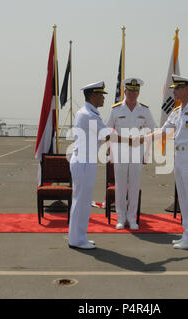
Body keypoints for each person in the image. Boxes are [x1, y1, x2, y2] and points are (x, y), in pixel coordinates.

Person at [139, 74, 188, 249]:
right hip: (178, 156)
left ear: (186, 89)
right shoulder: (177, 111)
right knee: (183, 198)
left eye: (177, 88)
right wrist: (143, 138)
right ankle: (187, 234)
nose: (174, 92)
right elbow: (163, 131)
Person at [68, 81, 133, 249]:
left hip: (85, 161)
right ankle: (77, 239)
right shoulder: (88, 115)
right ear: (93, 96)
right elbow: (108, 135)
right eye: (101, 95)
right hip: (83, 162)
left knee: (82, 201)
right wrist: (132, 140)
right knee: (81, 202)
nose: (104, 98)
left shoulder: (88, 112)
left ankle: (78, 237)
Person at [106, 78, 156, 230]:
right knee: (120, 186)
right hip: (119, 149)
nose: (133, 94)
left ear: (138, 92)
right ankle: (120, 218)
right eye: (130, 91)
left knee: (134, 186)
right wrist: (109, 150)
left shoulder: (145, 110)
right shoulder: (115, 109)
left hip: (137, 150)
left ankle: (132, 218)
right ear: (125, 91)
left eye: (136, 91)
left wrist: (146, 154)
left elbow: (152, 130)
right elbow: (108, 130)